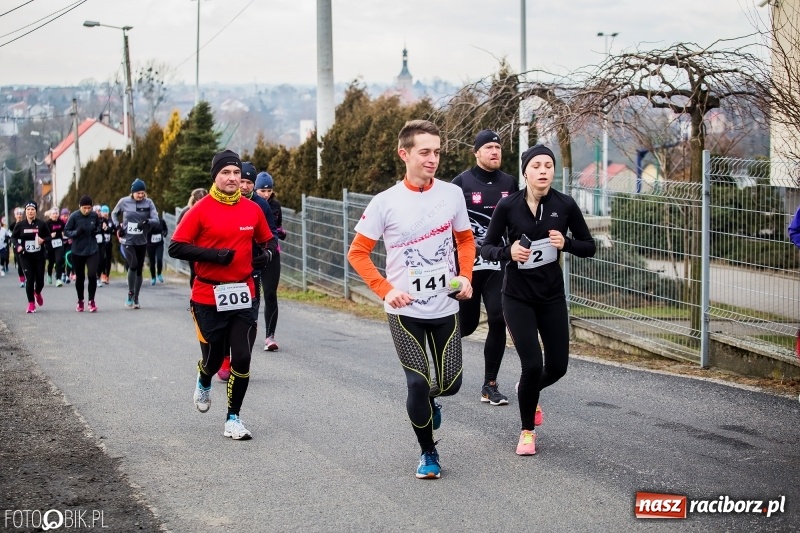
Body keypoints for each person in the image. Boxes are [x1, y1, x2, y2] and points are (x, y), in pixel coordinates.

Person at [347, 120, 475, 479]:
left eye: (436, 151)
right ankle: (428, 452)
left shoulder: (451, 194)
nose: (433, 158)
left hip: (446, 306)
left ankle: (432, 400)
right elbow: (357, 253)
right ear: (404, 154)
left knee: (450, 385)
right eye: (425, 152)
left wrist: (466, 276)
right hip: (404, 311)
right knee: (416, 383)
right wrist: (387, 290)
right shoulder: (384, 202)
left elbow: (465, 240)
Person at [480, 144, 596, 456]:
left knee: (557, 367)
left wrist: (567, 243)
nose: (543, 171)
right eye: (537, 166)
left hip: (551, 297)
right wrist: (509, 252)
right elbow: (486, 247)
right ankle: (527, 431)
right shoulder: (509, 206)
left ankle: (526, 391)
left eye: (548, 165)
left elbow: (590, 245)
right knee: (532, 364)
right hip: (517, 297)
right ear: (526, 172)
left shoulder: (565, 204)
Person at [168, 149, 276, 440]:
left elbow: (268, 241)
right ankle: (204, 378)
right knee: (215, 359)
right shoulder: (200, 210)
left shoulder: (252, 210)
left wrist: (264, 256)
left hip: (244, 291)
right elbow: (175, 247)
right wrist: (214, 256)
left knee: (241, 356)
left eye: (236, 173)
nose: (232, 178)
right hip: (208, 294)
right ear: (215, 176)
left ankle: (233, 418)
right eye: (226, 172)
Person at [451, 130, 518, 406]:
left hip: (497, 262)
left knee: (498, 317)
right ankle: (445, 364)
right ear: (476, 152)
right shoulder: (460, 184)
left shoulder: (510, 183)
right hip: (467, 265)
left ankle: (489, 384)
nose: (494, 152)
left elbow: (517, 221)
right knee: (464, 327)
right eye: (488, 147)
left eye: (497, 147)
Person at [111, 179, 159, 308]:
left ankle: (136, 297)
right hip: (128, 240)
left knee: (139, 270)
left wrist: (147, 222)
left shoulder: (149, 203)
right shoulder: (124, 202)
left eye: (143, 193)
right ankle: (130, 293)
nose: (141, 195)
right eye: (138, 193)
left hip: (141, 241)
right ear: (132, 192)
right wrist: (118, 227)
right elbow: (114, 214)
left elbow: (156, 219)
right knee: (133, 264)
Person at [255, 171, 286, 351]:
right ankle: (248, 331)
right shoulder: (250, 204)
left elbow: (277, 228)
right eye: (262, 191)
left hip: (272, 254)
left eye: (269, 190)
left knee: (270, 294)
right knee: (253, 297)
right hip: (253, 254)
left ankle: (270, 336)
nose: (266, 194)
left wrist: (281, 232)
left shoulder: (275, 205)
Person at [64, 195, 101, 312]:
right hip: (78, 251)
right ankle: (80, 300)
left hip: (92, 250)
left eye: (89, 208)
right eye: (84, 208)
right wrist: (76, 233)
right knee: (80, 277)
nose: (87, 210)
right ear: (80, 207)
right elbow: (66, 231)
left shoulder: (94, 215)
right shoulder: (74, 216)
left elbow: (99, 226)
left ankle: (91, 301)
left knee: (92, 275)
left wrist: (97, 230)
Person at [11, 201, 50, 313]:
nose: (30, 211)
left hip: (39, 256)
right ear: (25, 211)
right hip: (25, 256)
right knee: (30, 279)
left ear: (35, 211)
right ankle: (31, 304)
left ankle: (37, 292)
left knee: (40, 281)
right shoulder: (20, 225)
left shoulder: (42, 224)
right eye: (28, 209)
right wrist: (18, 246)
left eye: (32, 209)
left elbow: (48, 237)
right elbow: (13, 237)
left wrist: (43, 240)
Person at [176, 188, 209, 289]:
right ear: (194, 201)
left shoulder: (211, 210)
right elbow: (179, 229)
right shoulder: (186, 211)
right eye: (199, 202)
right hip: (192, 247)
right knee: (194, 272)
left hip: (208, 246)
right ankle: (193, 299)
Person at [45, 208, 67, 287]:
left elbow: (65, 230)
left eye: (56, 213)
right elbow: (44, 235)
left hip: (59, 244)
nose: (55, 215)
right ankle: (49, 273)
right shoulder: (47, 223)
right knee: (51, 262)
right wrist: (50, 235)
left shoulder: (61, 222)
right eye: (53, 214)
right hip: (50, 245)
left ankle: (58, 279)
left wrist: (64, 233)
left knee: (59, 261)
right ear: (50, 215)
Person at [146, 214, 168, 285]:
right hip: (150, 245)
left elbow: (165, 229)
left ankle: (159, 273)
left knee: (159, 259)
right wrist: (151, 228)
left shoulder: (161, 221)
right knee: (152, 262)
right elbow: (146, 233)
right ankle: (153, 277)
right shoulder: (148, 222)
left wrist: (165, 233)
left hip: (159, 244)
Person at [9, 207, 26, 287]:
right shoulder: (12, 226)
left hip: (25, 244)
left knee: (26, 263)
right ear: (15, 215)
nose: (19, 215)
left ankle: (28, 278)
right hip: (16, 246)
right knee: (20, 263)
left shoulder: (25, 223)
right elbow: (11, 236)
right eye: (17, 214)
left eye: (20, 214)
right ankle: (22, 280)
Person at [99, 205, 114, 284]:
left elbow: (113, 230)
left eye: (106, 212)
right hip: (102, 243)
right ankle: (103, 274)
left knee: (108, 259)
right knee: (103, 258)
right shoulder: (100, 220)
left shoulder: (110, 220)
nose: (105, 213)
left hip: (109, 243)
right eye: (103, 212)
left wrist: (108, 229)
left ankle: (107, 275)